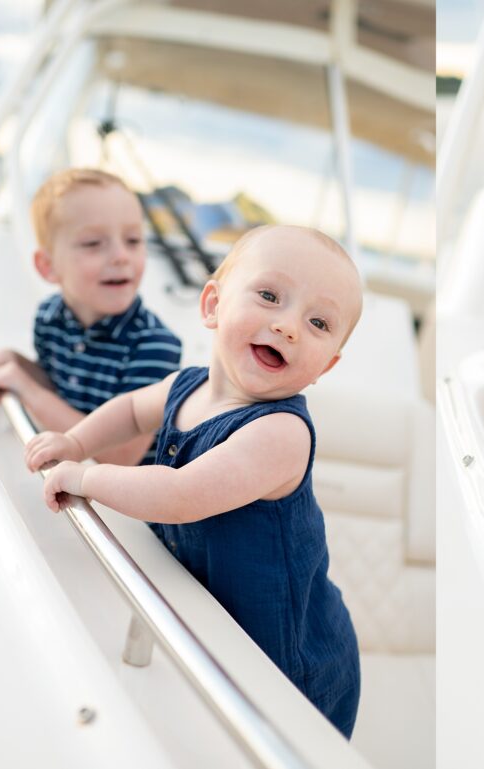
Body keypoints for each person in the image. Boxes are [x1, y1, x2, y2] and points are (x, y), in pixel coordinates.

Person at [24, 224, 363, 738]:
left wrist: (88, 476)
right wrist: (76, 442)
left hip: (289, 660)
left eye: (318, 323)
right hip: (210, 618)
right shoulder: (187, 387)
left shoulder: (280, 433)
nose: (289, 325)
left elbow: (180, 498)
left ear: (327, 366)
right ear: (212, 306)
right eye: (269, 296)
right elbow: (130, 411)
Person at [0, 168, 181, 464]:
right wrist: (13, 362)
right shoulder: (50, 318)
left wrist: (27, 388)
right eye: (93, 243)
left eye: (133, 240)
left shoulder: (154, 345)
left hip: (128, 501)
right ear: (48, 266)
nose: (121, 255)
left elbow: (121, 455)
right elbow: (58, 387)